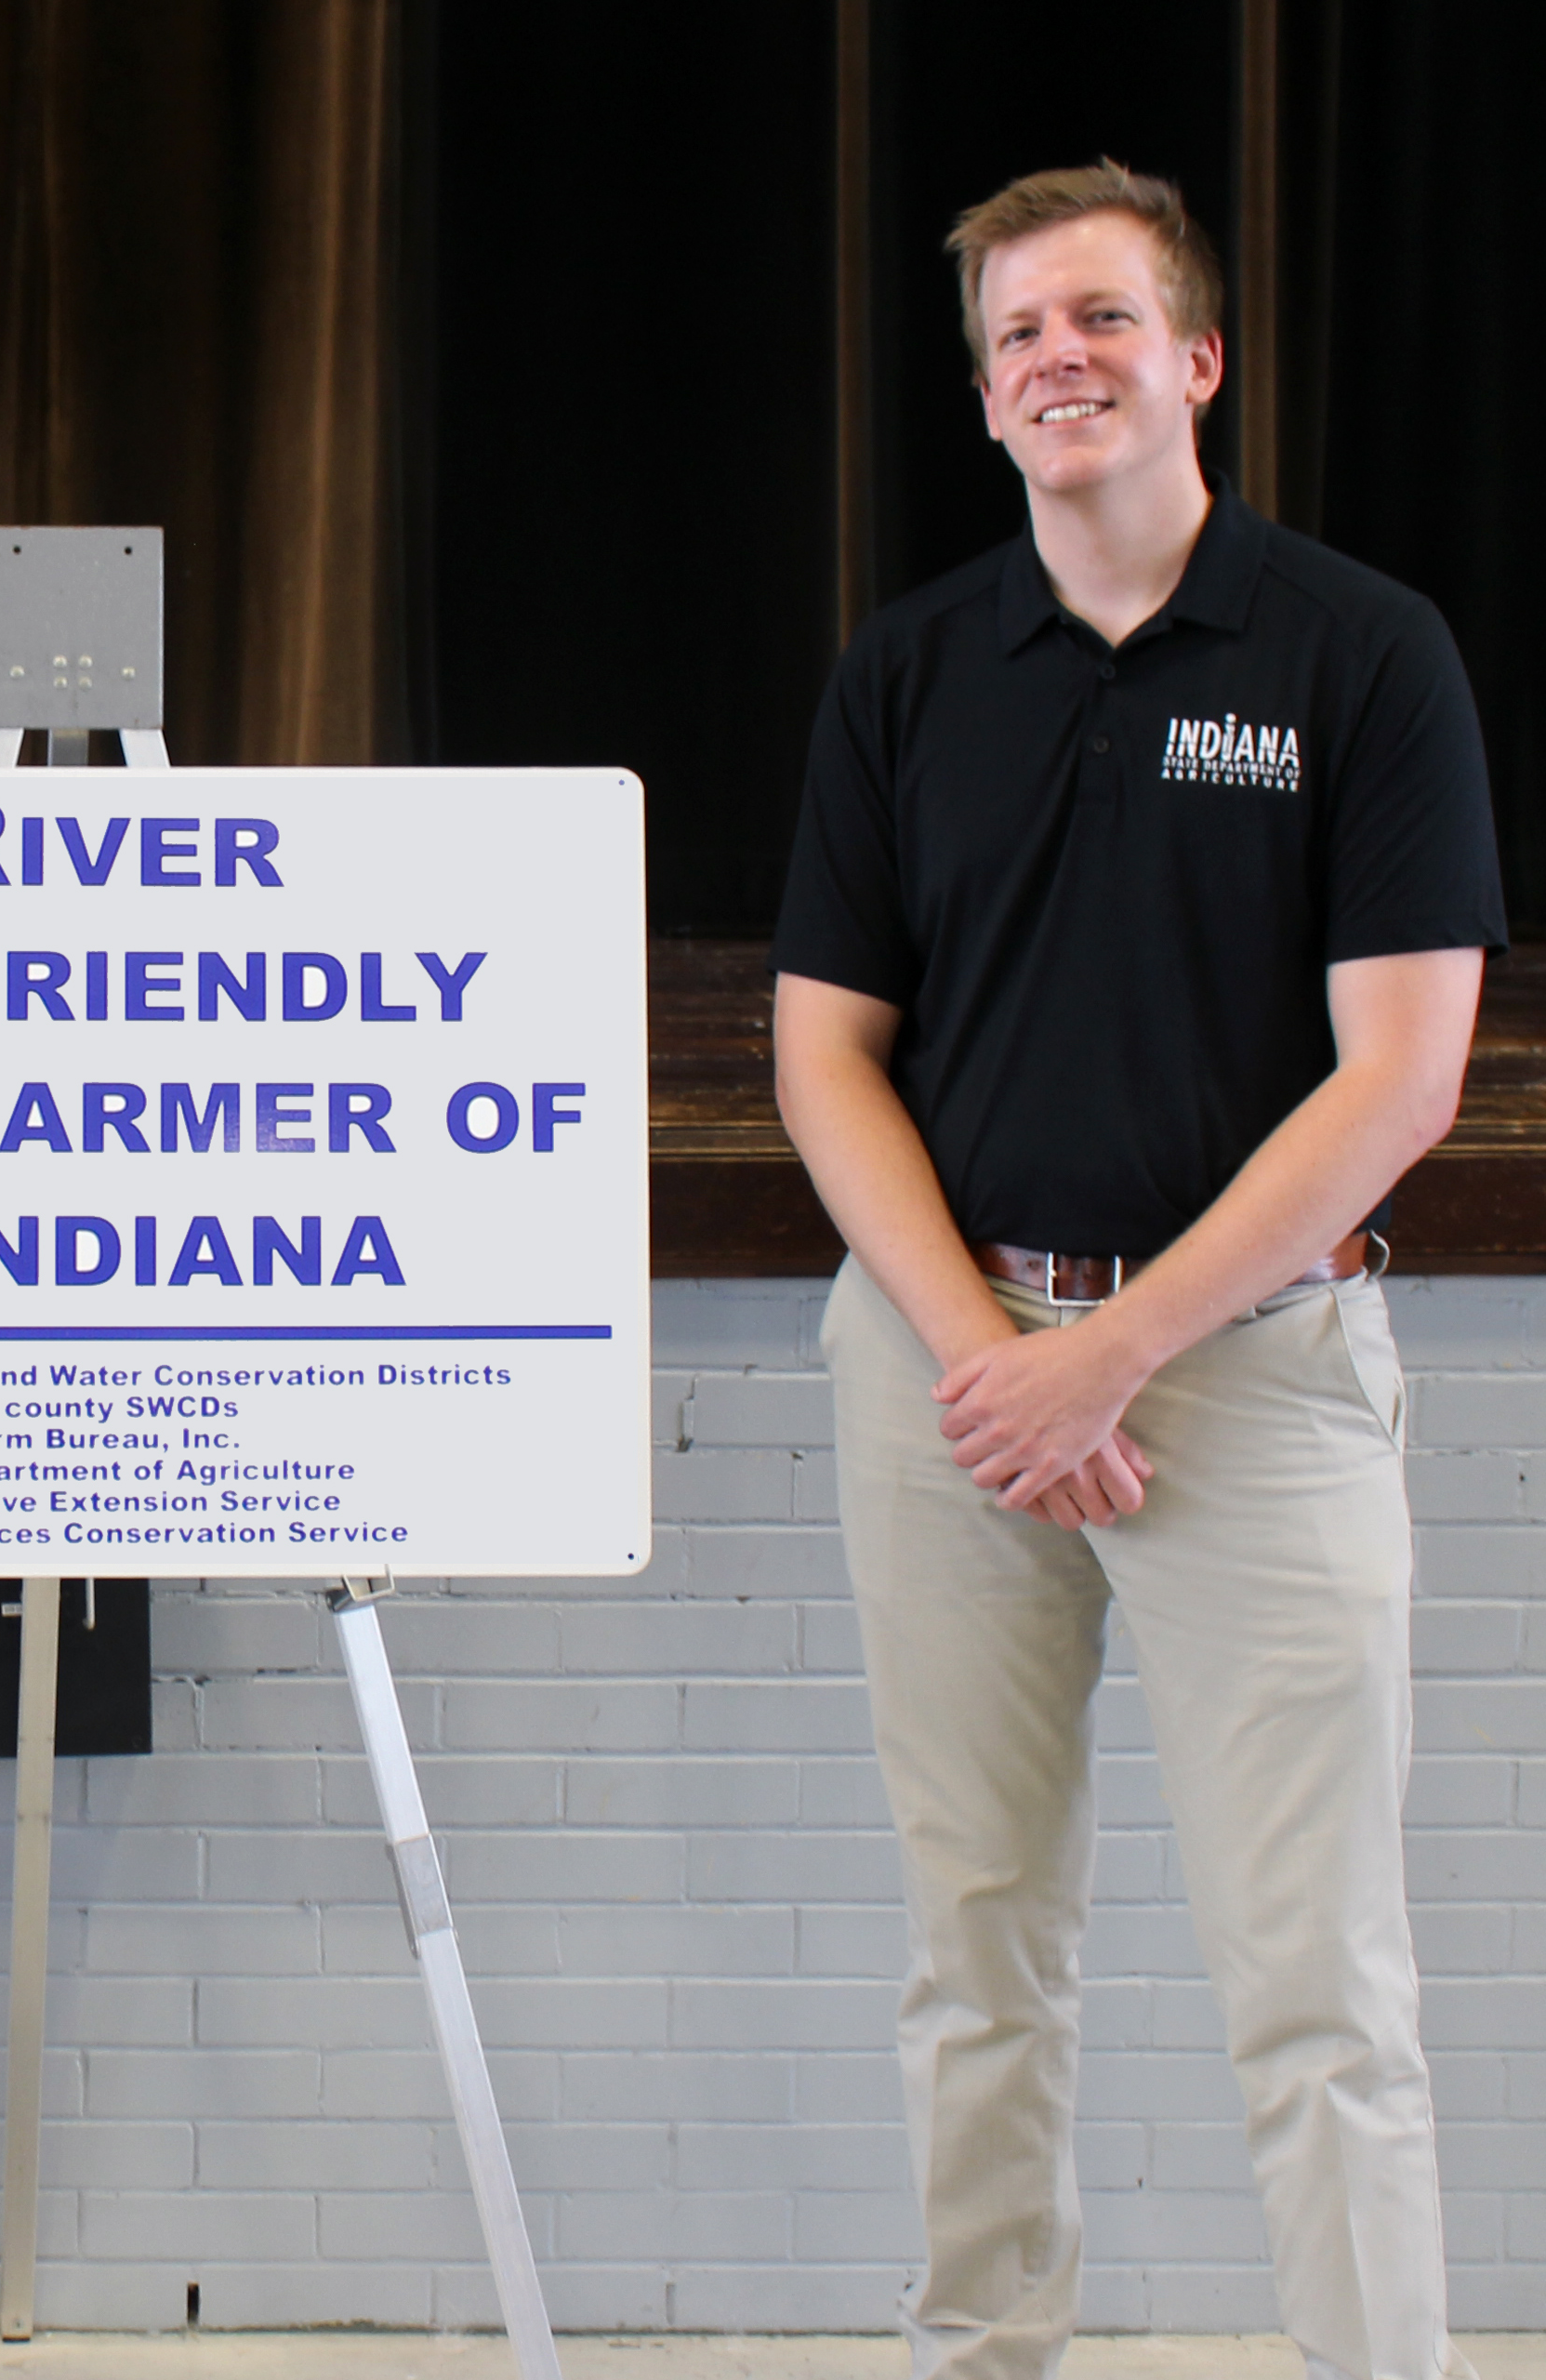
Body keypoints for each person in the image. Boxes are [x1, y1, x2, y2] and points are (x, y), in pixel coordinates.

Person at [773, 160, 1500, 2380]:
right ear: (982, 399)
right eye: (1009, 336)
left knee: (1320, 1982)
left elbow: (1397, 1077)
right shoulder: (906, 674)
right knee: (974, 1952)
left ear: (1193, 358)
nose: (1049, 361)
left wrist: (1113, 1354)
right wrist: (995, 1354)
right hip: (945, 1374)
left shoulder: (1357, 654)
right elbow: (823, 1060)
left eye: (1093, 318)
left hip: (1245, 1379)